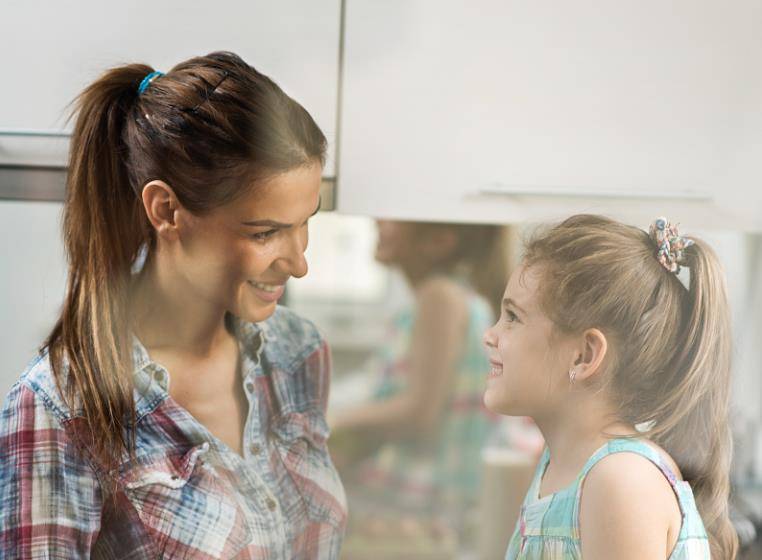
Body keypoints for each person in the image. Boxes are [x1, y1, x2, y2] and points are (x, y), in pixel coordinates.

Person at [0, 52, 346, 559]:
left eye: (306, 222)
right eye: (266, 232)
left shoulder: (298, 353)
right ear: (166, 210)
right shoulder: (60, 409)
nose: (298, 263)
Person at [484, 214, 738, 559]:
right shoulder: (558, 467)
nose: (491, 335)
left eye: (513, 317)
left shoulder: (620, 481)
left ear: (584, 356)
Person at [331, 220, 509, 542]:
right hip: (435, 507)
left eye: (393, 218)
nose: (378, 221)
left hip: (418, 507)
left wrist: (327, 421)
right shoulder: (454, 297)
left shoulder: (439, 297)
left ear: (439, 241)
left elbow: (419, 412)